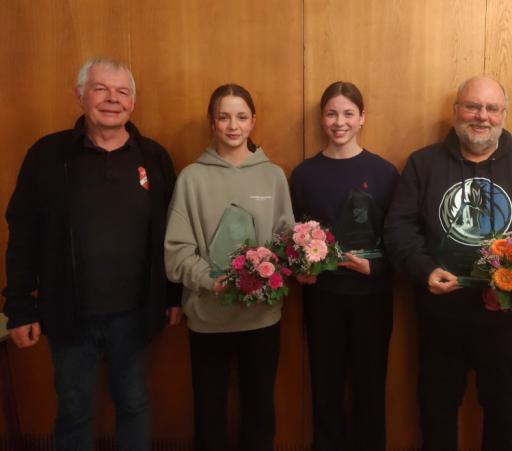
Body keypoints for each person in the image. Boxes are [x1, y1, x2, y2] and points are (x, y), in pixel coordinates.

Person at [383, 76, 512, 451]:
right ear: (456, 111)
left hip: (507, 320)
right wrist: (424, 270)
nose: (481, 116)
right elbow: (398, 230)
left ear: (504, 114)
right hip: (441, 315)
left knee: (505, 411)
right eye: (472, 106)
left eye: (491, 108)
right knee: (436, 409)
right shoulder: (423, 164)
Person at [2, 57, 181, 451]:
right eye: (101, 89)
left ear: (133, 102)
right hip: (69, 315)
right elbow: (23, 233)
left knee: (134, 404)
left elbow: (171, 235)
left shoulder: (154, 157)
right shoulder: (46, 155)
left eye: (123, 92)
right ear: (80, 94)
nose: (112, 99)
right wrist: (19, 307)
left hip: (136, 315)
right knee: (73, 411)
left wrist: (172, 296)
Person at [164, 84, 294, 451]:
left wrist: (280, 270)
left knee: (259, 409)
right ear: (212, 122)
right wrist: (210, 281)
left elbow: (287, 242)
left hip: (262, 318)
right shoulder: (191, 178)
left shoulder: (273, 176)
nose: (233, 126)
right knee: (209, 410)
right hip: (208, 317)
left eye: (241, 117)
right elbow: (176, 252)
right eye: (224, 117)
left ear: (253, 121)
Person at [290, 81, 398, 451]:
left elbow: (398, 239)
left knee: (371, 387)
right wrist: (300, 269)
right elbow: (293, 237)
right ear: (322, 119)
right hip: (323, 300)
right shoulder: (304, 174)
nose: (340, 122)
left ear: (362, 118)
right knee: (325, 386)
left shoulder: (384, 173)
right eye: (332, 114)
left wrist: (376, 269)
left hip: (372, 298)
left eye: (348, 114)